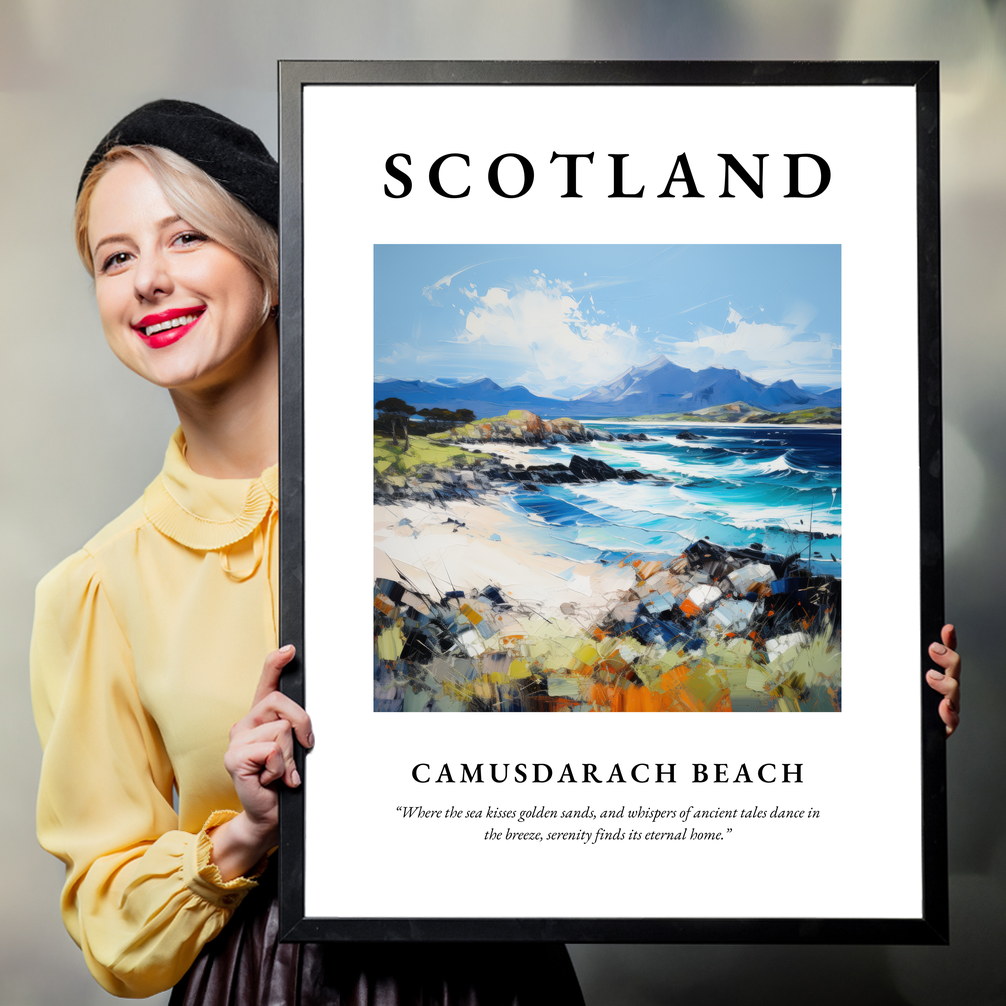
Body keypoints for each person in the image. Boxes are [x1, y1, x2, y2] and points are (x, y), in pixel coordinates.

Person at [30, 100, 586, 1004]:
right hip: (262, 981)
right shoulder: (97, 587)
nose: (148, 281)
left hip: (493, 973)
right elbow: (110, 922)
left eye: (185, 238)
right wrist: (245, 832)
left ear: (273, 263)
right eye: (116, 257)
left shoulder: (436, 513)